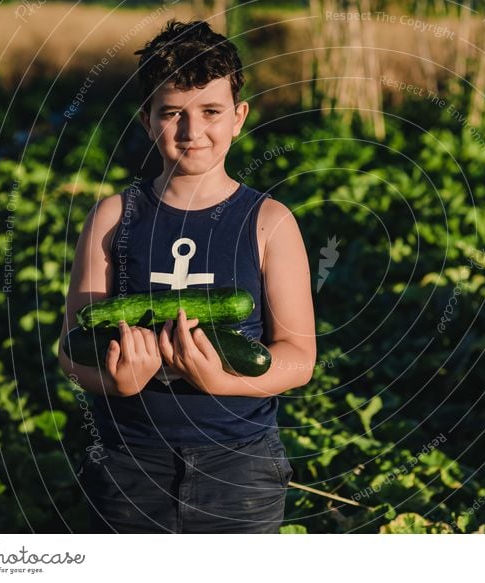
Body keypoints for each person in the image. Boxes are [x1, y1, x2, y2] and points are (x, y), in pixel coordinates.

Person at [58, 19, 316, 534]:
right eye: (172, 112)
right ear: (147, 120)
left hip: (240, 466)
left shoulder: (270, 222)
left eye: (211, 112)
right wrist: (116, 381)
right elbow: (71, 350)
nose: (191, 131)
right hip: (128, 459)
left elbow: (299, 357)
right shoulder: (112, 217)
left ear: (239, 117)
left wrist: (222, 379)